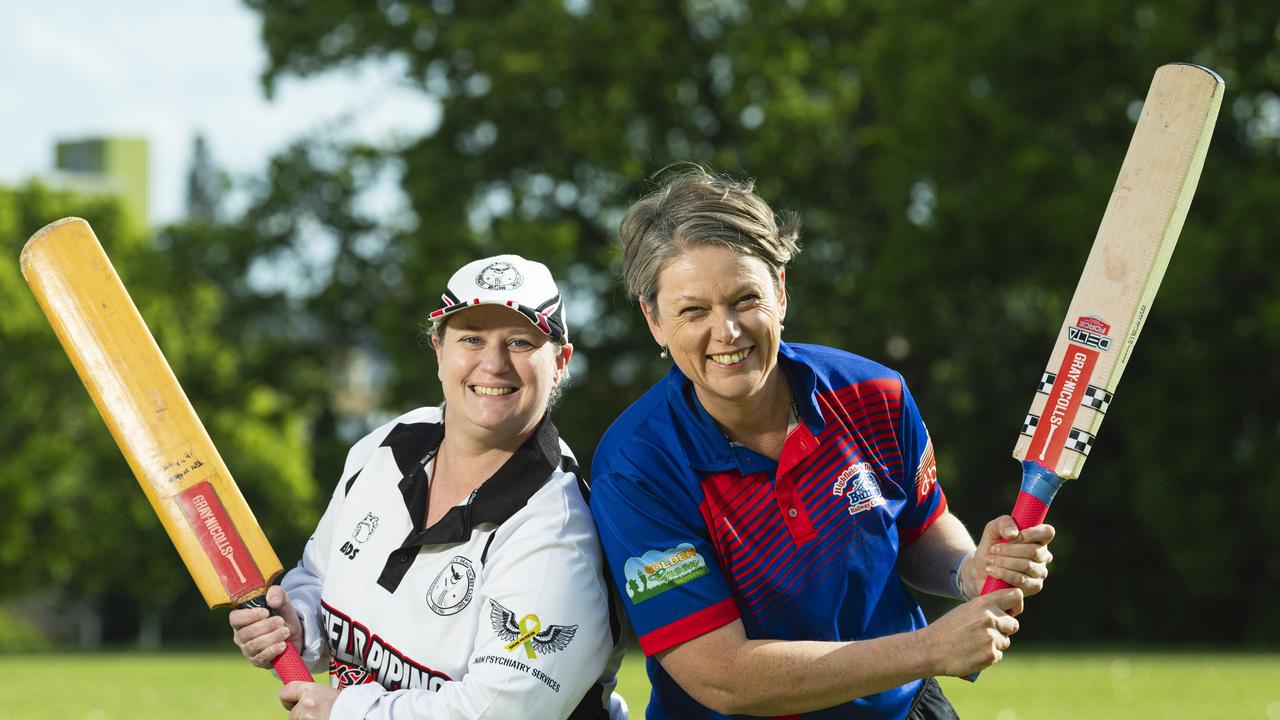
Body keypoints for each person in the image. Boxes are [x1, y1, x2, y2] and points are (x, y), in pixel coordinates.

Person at [589, 169, 1056, 719]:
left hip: (903, 709)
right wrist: (928, 648)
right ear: (654, 321)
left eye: (745, 299)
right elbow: (725, 677)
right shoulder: (636, 466)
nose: (728, 330)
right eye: (693, 310)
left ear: (781, 293)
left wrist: (967, 569)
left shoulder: (872, 392)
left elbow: (921, 525)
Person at [230, 254, 628, 720]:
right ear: (439, 349)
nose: (493, 363)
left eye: (520, 342)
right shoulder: (386, 447)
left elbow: (501, 712)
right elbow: (319, 578)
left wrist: (349, 713)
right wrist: (296, 625)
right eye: (471, 339)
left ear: (560, 362)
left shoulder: (556, 531)